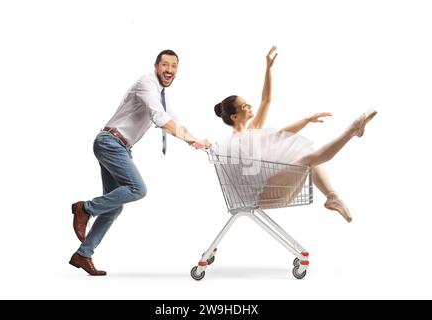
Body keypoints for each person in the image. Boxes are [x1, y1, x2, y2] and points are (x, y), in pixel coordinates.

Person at [70, 50, 210, 276]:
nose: (169, 70)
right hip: (110, 143)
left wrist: (195, 140)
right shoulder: (147, 84)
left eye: (174, 66)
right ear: (156, 66)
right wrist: (188, 138)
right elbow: (159, 117)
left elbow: (173, 119)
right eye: (165, 65)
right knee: (138, 189)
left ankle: (83, 254)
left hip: (120, 147)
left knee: (113, 208)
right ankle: (85, 208)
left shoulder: (160, 93)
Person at [213, 46, 377, 222]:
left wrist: (268, 68)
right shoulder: (237, 142)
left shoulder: (252, 131)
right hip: (262, 196)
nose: (250, 107)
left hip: (274, 189)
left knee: (303, 154)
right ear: (235, 117)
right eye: (244, 106)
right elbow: (277, 136)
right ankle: (351, 131)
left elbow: (266, 101)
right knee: (307, 159)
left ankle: (332, 196)